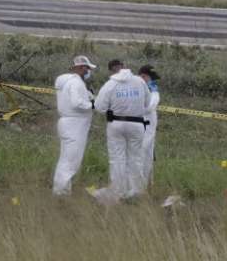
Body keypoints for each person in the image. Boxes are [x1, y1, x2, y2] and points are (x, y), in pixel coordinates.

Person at [93, 59, 151, 200]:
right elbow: (147, 102)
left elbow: (100, 107)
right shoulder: (139, 81)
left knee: (117, 159)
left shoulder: (110, 84)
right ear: (124, 67)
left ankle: (118, 191)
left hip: (116, 124)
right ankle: (136, 191)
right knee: (135, 158)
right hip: (137, 123)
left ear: (111, 70)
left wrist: (114, 107)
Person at [52, 55, 97, 196]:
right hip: (75, 124)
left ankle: (63, 190)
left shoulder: (68, 82)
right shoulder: (76, 83)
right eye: (88, 68)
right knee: (71, 161)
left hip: (68, 123)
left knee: (66, 159)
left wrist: (90, 97)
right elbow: (77, 103)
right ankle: (61, 193)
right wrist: (94, 105)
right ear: (82, 68)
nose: (89, 71)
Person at [138, 65, 160, 186]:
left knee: (148, 157)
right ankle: (136, 187)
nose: (153, 81)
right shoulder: (140, 90)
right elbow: (149, 107)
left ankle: (146, 186)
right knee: (140, 155)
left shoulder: (152, 90)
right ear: (143, 76)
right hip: (141, 127)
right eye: (151, 78)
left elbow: (151, 107)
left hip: (149, 128)